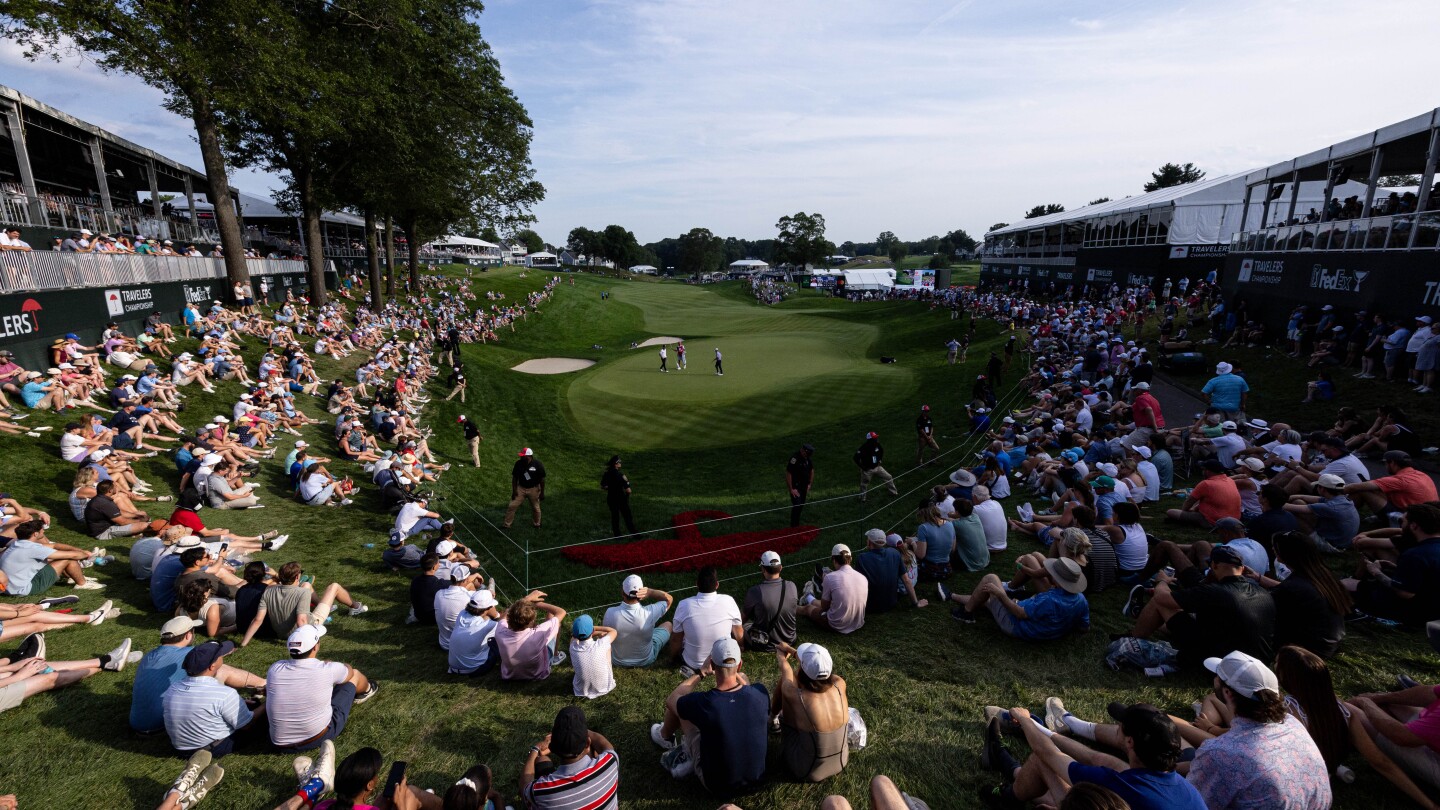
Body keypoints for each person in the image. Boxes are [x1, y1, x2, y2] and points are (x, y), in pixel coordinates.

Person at [978, 701, 1205, 810]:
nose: (1116, 726)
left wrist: (1025, 719)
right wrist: (1048, 734)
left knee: (1043, 762)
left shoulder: (1124, 786)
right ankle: (1008, 765)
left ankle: (1006, 798)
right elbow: (1099, 759)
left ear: (1129, 742)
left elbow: (1047, 754)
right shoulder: (1186, 791)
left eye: (1120, 725)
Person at [1187, 651, 1331, 809]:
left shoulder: (1219, 753)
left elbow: (1190, 803)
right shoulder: (1291, 723)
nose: (1214, 679)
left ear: (1227, 693)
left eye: (1217, 676)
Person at [652, 638, 769, 797]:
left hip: (717, 786)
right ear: (740, 665)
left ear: (712, 665)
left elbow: (672, 699)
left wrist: (701, 673)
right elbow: (746, 687)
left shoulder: (704, 703)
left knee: (683, 712)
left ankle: (664, 737)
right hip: (756, 781)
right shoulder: (760, 694)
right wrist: (739, 675)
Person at [1125, 544, 1275, 669]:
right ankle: (1142, 616)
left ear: (1214, 565)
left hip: (1216, 663)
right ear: (1243, 568)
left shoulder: (1215, 591)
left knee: (1161, 602)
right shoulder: (1264, 593)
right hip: (1256, 666)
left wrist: (1162, 581)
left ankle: (1131, 639)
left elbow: (1162, 598)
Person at [265, 624, 378, 751]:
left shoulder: (275, 669)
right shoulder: (327, 669)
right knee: (355, 675)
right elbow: (349, 672)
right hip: (316, 737)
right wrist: (340, 665)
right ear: (315, 647)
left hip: (279, 743)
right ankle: (368, 689)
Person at [943, 557, 1090, 641]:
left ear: (1057, 579)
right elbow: (1084, 628)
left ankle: (966, 613)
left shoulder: (1049, 599)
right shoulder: (1081, 600)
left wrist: (1001, 595)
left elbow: (1020, 613)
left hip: (1018, 627)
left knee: (991, 579)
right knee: (987, 601)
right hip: (1049, 631)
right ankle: (952, 595)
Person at [161, 640, 266, 756]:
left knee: (247, 705)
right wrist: (267, 703)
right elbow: (247, 725)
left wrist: (240, 701)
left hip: (181, 749)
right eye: (219, 655)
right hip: (211, 748)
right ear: (212, 666)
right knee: (260, 711)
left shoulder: (173, 689)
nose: (222, 655)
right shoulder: (224, 694)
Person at [1346, 502, 1440, 626]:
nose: (1401, 526)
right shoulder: (1431, 547)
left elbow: (1405, 593)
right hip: (1434, 609)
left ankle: (1361, 613)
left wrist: (1376, 572)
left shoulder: (1415, 554)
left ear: (1414, 526)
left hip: (1414, 612)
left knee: (1344, 584)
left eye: (1403, 522)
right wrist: (1395, 568)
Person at [772, 641, 850, 782]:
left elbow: (786, 671)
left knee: (787, 682)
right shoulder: (840, 683)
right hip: (841, 761)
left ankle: (772, 720)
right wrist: (794, 652)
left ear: (803, 669)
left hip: (806, 770)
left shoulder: (796, 696)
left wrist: (782, 656)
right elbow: (819, 675)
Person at [240, 562, 368, 646]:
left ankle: (325, 606)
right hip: (308, 626)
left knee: (307, 585)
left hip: (281, 633)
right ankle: (356, 607)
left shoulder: (268, 591)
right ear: (297, 577)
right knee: (334, 587)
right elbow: (302, 620)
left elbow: (257, 620)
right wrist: (305, 641)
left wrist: (243, 643)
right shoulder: (302, 593)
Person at [521, 706, 620, 810]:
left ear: (552, 747)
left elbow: (524, 786)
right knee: (543, 761)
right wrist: (579, 731)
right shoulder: (610, 761)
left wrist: (535, 749)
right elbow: (602, 743)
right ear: (588, 743)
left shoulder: (541, 791)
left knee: (541, 760)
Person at [671, 566, 743, 676]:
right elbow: (739, 633)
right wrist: (741, 648)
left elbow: (676, 640)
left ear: (697, 584)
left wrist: (672, 658)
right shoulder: (728, 600)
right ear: (717, 585)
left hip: (693, 664)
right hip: (724, 662)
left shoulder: (683, 605)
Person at [495, 589, 567, 680]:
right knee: (553, 618)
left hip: (510, 675)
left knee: (552, 621)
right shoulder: (537, 635)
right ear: (532, 621)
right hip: (537, 675)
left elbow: (505, 615)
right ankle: (555, 656)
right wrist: (536, 604)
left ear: (509, 618)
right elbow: (561, 612)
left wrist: (526, 599)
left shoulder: (500, 631)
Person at [604, 574, 674, 667]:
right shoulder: (650, 612)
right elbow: (669, 599)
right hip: (646, 660)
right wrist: (650, 592)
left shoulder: (610, 612)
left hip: (617, 661)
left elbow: (606, 636)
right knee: (668, 624)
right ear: (641, 594)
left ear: (622, 592)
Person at [797, 544, 868, 634]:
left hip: (837, 624)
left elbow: (824, 606)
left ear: (834, 560)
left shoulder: (830, 578)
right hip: (857, 622)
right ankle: (809, 597)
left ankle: (799, 602)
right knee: (836, 602)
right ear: (851, 558)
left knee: (808, 609)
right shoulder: (862, 577)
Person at [1344, 450, 1438, 519]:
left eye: (1385, 463)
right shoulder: (1421, 474)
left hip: (1411, 518)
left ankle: (1342, 513)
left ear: (1392, 463)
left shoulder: (1400, 479)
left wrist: (1333, 490)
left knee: (1363, 490)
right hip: (1429, 515)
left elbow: (1354, 487)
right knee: (1377, 489)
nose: (1385, 466)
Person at [851, 529, 925, 613]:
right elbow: (906, 580)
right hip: (892, 602)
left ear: (870, 542)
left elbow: (857, 583)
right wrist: (916, 603)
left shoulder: (862, 558)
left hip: (870, 606)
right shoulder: (894, 553)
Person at [1166, 459, 1241, 528]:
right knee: (1201, 499)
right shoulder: (1230, 480)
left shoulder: (1206, 484)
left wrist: (1183, 513)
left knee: (1170, 512)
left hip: (1214, 522)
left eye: (1203, 469)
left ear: (1207, 471)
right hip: (1234, 520)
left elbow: (1189, 501)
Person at [447, 588, 501, 676]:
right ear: (488, 608)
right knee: (496, 642)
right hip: (475, 669)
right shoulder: (488, 625)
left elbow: (484, 617)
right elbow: (503, 624)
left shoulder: (462, 614)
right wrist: (496, 615)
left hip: (453, 667)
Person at [568, 614, 616, 699]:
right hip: (605, 687)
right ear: (593, 630)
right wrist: (595, 629)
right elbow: (613, 631)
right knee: (608, 647)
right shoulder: (601, 643)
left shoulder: (572, 646)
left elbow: (574, 638)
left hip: (581, 690)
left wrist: (591, 631)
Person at [503, 447, 545, 529]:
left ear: (529, 456)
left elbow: (542, 480)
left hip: (534, 489)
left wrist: (542, 493)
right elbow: (514, 478)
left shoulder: (538, 464)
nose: (521, 457)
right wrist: (514, 490)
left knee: (536, 508)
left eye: (523, 456)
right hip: (521, 488)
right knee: (512, 506)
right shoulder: (518, 463)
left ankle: (537, 524)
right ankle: (506, 525)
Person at [853, 432, 897, 502]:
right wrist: (862, 467)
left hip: (878, 467)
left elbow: (881, 451)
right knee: (864, 484)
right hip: (867, 469)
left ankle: (893, 493)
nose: (876, 438)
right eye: (875, 438)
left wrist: (880, 460)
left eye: (876, 437)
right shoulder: (864, 448)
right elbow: (855, 458)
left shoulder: (877, 445)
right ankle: (862, 499)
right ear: (870, 439)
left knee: (888, 477)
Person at [599, 455, 636, 536]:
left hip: (611, 498)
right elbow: (629, 491)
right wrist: (627, 483)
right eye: (619, 462)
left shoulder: (606, 474)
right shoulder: (621, 475)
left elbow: (603, 486)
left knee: (615, 517)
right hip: (621, 498)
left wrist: (611, 487)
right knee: (627, 516)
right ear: (615, 464)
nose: (620, 463)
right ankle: (635, 534)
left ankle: (617, 535)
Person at [786, 443, 815, 527]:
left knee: (801, 505)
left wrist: (809, 483)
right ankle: (793, 526)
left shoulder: (807, 459)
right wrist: (791, 489)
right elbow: (788, 473)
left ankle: (796, 524)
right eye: (808, 453)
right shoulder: (795, 459)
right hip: (796, 487)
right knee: (797, 505)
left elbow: (812, 470)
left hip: (804, 486)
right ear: (803, 451)